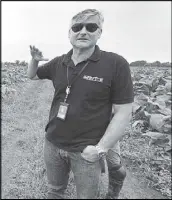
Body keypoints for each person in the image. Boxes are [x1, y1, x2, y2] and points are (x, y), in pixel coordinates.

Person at [27, 9, 134, 199]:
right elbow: (32, 75)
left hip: (87, 150)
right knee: (54, 191)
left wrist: (100, 149)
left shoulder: (116, 64)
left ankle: (115, 182)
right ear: (70, 33)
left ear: (99, 32)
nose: (83, 31)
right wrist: (34, 61)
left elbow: (123, 112)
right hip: (53, 143)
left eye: (91, 27)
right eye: (77, 27)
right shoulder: (60, 62)